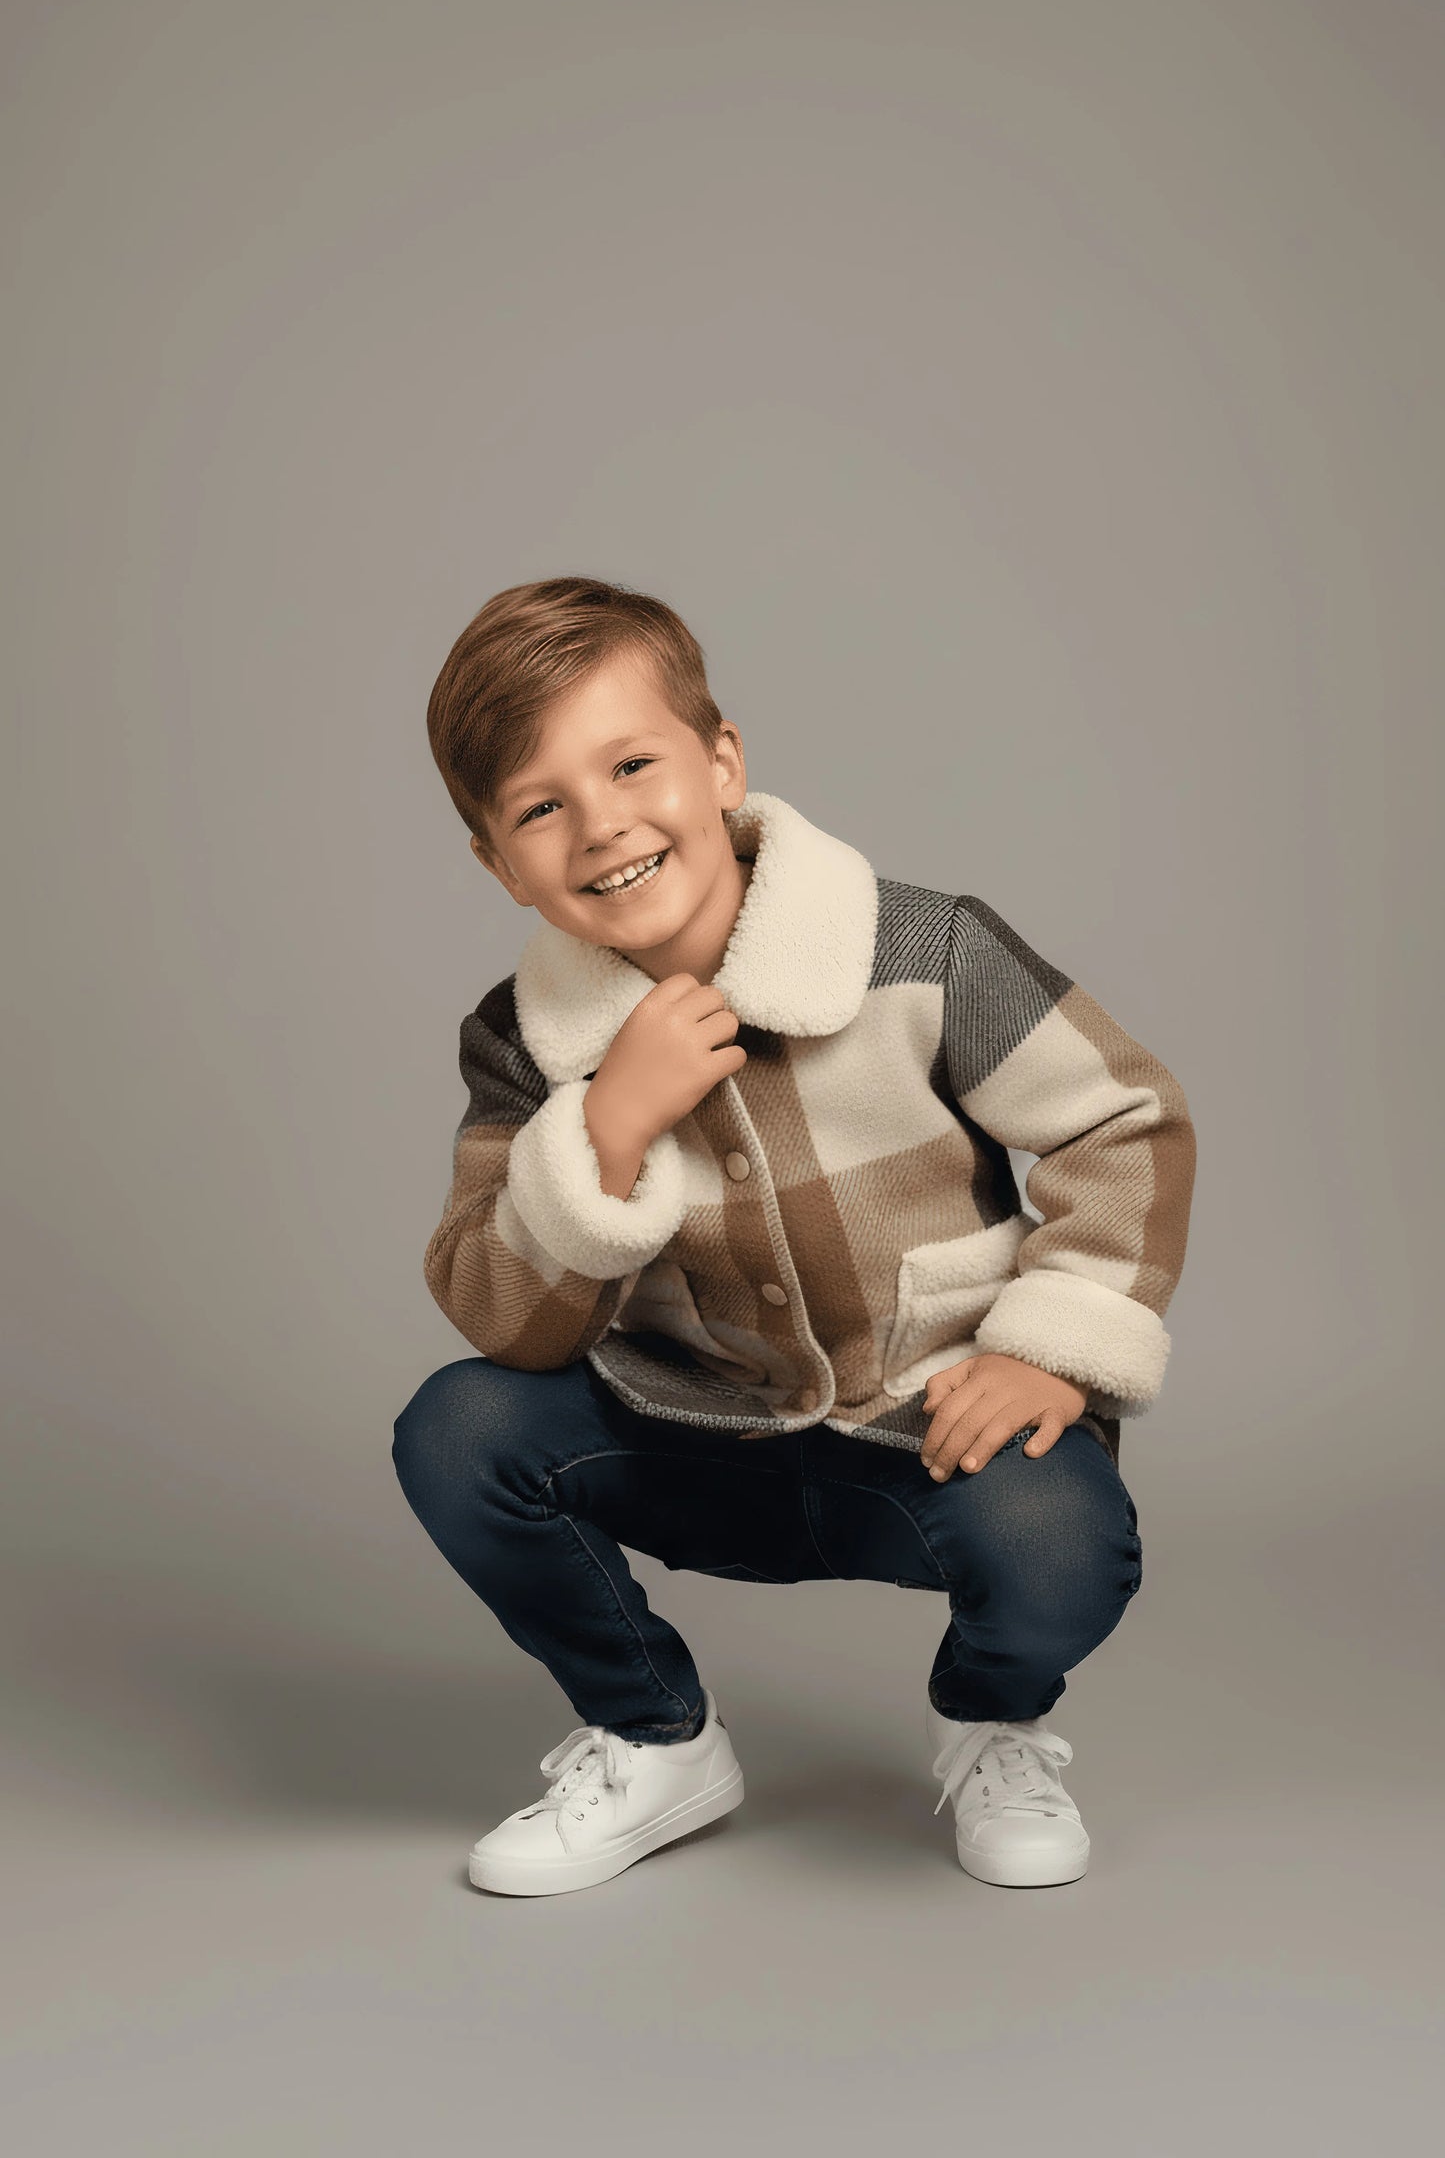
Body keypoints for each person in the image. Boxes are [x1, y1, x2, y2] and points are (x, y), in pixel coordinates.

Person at [392, 576, 1196, 1898]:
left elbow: (1123, 1122)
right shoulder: (523, 1042)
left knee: (1061, 1543)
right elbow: (497, 1316)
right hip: (682, 1434)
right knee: (458, 1428)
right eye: (540, 809)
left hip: (926, 1429)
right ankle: (655, 1742)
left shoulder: (923, 951)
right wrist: (606, 1130)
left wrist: (1051, 1351)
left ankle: (990, 1721)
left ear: (721, 763)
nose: (601, 827)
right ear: (498, 862)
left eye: (632, 765)